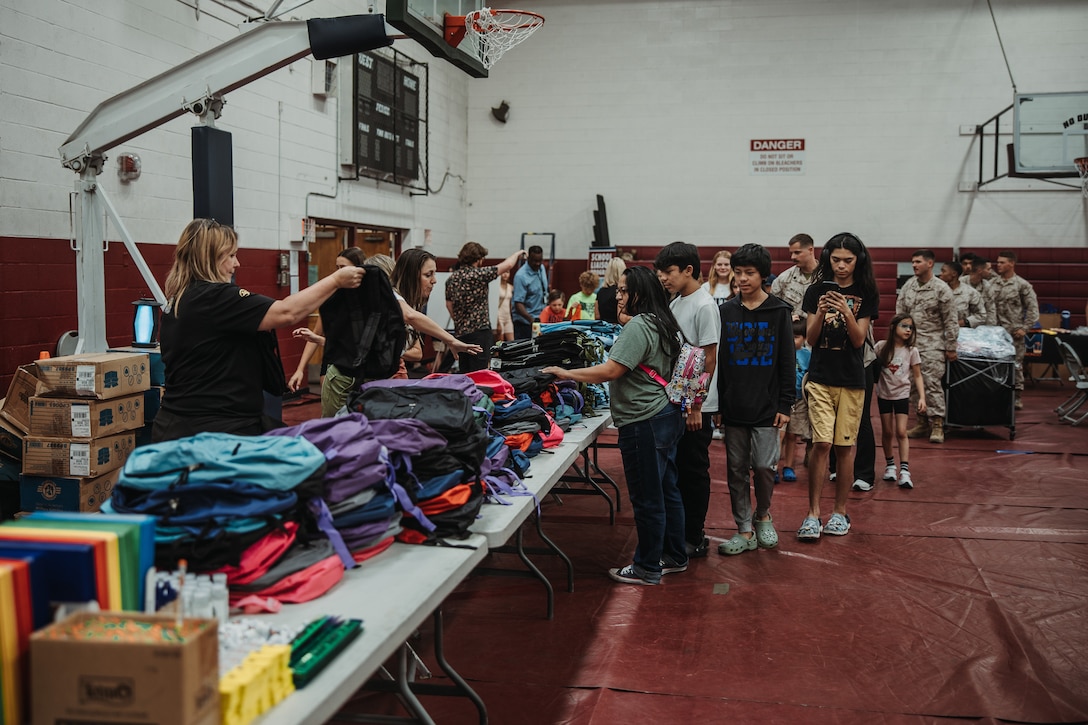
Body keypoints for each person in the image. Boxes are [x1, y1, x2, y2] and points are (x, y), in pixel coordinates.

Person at [154, 218, 366, 442]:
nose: (237, 264)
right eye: (231, 255)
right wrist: (335, 281)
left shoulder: (183, 299)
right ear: (211, 258)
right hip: (211, 428)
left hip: (192, 423)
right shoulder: (214, 298)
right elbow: (287, 312)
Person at [542, 266, 686, 586]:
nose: (617, 296)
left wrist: (567, 374)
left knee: (647, 496)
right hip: (664, 413)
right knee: (666, 489)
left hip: (642, 420)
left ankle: (647, 566)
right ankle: (674, 554)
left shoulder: (638, 326)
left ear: (638, 293)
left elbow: (610, 371)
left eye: (623, 291)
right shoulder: (660, 321)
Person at [797, 232, 879, 540]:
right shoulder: (815, 290)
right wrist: (820, 310)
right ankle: (812, 514)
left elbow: (858, 339)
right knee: (822, 443)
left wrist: (845, 309)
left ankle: (840, 512)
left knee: (845, 447)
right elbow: (812, 338)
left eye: (848, 260)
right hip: (820, 376)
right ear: (827, 259)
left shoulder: (866, 291)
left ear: (859, 261)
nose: (842, 266)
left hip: (853, 379)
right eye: (836, 260)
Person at [716, 243, 794, 556]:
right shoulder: (725, 312)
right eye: (739, 273)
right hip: (733, 406)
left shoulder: (779, 312)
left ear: (763, 275)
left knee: (763, 466)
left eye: (750, 273)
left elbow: (787, 361)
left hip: (767, 407)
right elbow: (718, 361)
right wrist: (718, 404)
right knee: (735, 469)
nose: (743, 279)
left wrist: (785, 404)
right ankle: (744, 530)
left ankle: (763, 515)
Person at [654, 241, 719, 559]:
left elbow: (709, 358)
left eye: (668, 272)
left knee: (693, 471)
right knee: (676, 470)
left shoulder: (704, 305)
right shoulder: (677, 301)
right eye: (661, 273)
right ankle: (679, 534)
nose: (663, 278)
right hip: (676, 402)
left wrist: (695, 406)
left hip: (696, 407)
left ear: (689, 270)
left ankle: (695, 535)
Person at [287, 247, 367, 414]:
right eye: (337, 268)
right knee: (332, 414)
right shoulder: (332, 298)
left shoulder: (367, 299)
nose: (338, 272)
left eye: (343, 268)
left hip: (361, 368)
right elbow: (316, 334)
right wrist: (300, 369)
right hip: (334, 364)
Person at [390, 248, 485, 376]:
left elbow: (417, 353)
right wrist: (451, 340)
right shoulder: (392, 296)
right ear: (411, 275)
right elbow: (410, 316)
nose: (434, 280)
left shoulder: (412, 305)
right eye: (428, 275)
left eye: (434, 274)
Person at [896, 249, 958, 444]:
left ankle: (938, 423)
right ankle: (922, 422)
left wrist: (951, 346)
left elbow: (950, 320)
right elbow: (900, 314)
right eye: (913, 262)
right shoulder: (908, 286)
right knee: (913, 385)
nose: (914, 265)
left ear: (930, 264)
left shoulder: (941, 289)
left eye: (918, 262)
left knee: (931, 383)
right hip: (911, 344)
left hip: (933, 344)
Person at [444, 242, 527, 373]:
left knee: (465, 371)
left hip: (461, 333)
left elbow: (448, 305)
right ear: (478, 259)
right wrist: (518, 253)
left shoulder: (451, 279)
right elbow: (508, 265)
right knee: (479, 372)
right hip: (479, 332)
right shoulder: (479, 274)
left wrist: (459, 321)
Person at [874, 315, 926, 489]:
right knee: (887, 432)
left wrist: (922, 398)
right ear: (893, 327)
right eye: (904, 326)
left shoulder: (912, 351)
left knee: (901, 431)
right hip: (884, 395)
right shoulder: (881, 347)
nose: (908, 330)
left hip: (902, 395)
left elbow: (917, 375)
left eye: (911, 327)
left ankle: (904, 470)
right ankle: (890, 466)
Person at [990, 250, 1040, 409]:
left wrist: (1025, 328)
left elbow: (1033, 310)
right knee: (995, 365)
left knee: (1016, 366)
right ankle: (997, 393)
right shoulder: (992, 284)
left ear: (1012, 263)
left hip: (1014, 333)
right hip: (995, 333)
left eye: (1002, 262)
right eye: (998, 262)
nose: (998, 265)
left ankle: (1016, 396)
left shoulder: (1022, 285)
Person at [778, 318, 811, 482]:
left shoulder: (807, 355)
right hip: (782, 398)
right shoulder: (780, 351)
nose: (792, 340)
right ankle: (773, 466)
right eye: (790, 336)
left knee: (792, 436)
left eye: (797, 336)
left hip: (798, 401)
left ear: (804, 338)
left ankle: (789, 466)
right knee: (779, 435)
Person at [771, 233, 818, 321]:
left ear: (810, 250)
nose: (793, 257)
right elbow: (773, 310)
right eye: (791, 253)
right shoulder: (783, 279)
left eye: (797, 252)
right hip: (792, 331)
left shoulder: (825, 277)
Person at [512, 245, 548, 339]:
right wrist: (532, 320)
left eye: (540, 261)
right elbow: (518, 304)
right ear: (528, 259)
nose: (537, 264)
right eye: (534, 261)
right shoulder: (521, 276)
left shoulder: (541, 268)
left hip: (541, 320)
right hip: (525, 323)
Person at [939, 261, 987, 329]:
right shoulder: (938, 291)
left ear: (954, 274)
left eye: (943, 271)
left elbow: (981, 315)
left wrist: (963, 322)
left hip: (962, 333)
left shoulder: (970, 293)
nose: (940, 274)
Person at [596, 257, 626, 324]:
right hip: (619, 328)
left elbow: (597, 316)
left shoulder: (600, 292)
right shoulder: (623, 292)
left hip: (604, 328)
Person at [496, 269, 515, 341]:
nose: (505, 274)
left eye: (507, 272)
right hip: (499, 317)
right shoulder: (496, 287)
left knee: (512, 342)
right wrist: (497, 321)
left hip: (508, 317)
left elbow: (510, 303)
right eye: (503, 272)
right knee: (500, 343)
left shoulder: (510, 287)